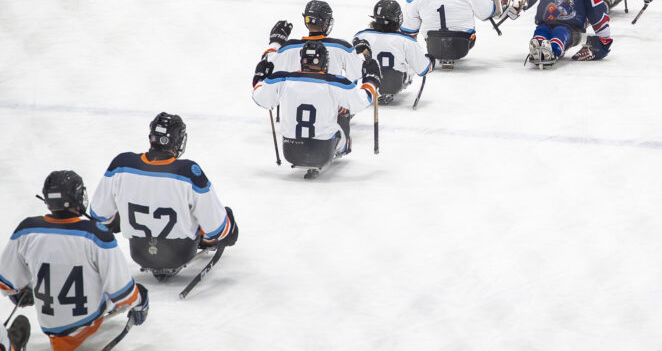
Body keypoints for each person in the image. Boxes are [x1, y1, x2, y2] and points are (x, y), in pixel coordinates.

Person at [0, 171, 149, 351]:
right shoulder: (96, 235)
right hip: (85, 326)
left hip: (49, 326)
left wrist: (21, 292)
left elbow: (7, 284)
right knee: (133, 291)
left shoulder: (27, 230)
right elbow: (123, 294)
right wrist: (140, 301)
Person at [88, 113, 239, 281]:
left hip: (139, 253)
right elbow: (220, 229)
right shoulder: (188, 172)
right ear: (177, 140)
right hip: (180, 254)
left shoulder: (122, 164)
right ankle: (207, 240)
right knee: (226, 220)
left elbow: (98, 215)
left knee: (114, 216)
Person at [253, 41, 381, 177]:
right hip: (322, 151)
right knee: (343, 114)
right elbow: (363, 100)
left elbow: (260, 98)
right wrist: (371, 80)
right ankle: (343, 145)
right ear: (324, 61)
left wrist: (259, 77)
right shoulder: (337, 83)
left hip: (290, 151)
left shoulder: (281, 79)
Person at [401, 0, 509, 69]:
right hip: (462, 45)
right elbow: (487, 13)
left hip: (433, 46)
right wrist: (495, 2)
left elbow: (409, 31)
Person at [353, 0, 433, 105]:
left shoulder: (360, 36)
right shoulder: (407, 41)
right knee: (411, 61)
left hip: (369, 82)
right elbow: (423, 70)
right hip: (395, 83)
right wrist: (430, 60)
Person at [263, 0, 363, 80]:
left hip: (293, 102)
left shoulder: (289, 48)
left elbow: (265, 67)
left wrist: (275, 42)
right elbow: (360, 72)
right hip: (330, 104)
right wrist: (364, 53)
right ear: (326, 22)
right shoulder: (342, 47)